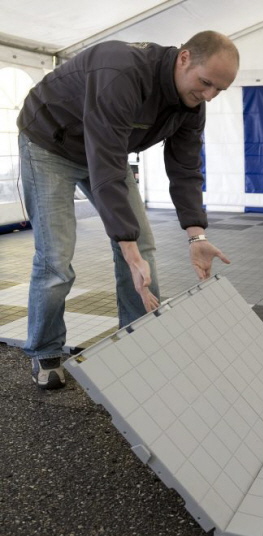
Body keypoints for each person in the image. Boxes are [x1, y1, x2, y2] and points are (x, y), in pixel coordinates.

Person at [17, 31, 240, 390]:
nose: (209, 96)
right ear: (184, 58)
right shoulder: (121, 71)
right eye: (206, 83)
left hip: (106, 149)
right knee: (56, 259)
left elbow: (185, 169)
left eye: (219, 90)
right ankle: (45, 349)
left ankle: (139, 338)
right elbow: (104, 163)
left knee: (144, 250)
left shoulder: (192, 104)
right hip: (48, 145)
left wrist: (195, 234)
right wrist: (126, 246)